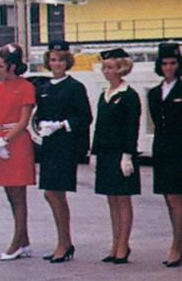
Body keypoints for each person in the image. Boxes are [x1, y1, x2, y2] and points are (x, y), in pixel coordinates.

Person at [33, 41, 92, 263]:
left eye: (61, 59)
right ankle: (64, 241)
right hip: (49, 145)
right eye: (53, 59)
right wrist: (41, 125)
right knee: (51, 193)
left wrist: (62, 124)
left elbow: (85, 117)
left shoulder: (75, 87)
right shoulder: (45, 87)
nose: (57, 63)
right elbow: (40, 113)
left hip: (65, 145)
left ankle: (64, 242)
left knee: (55, 193)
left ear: (68, 62)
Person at [0, 43, 36, 261]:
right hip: (0, 143)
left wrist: (5, 140)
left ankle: (16, 243)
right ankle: (24, 240)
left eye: (1, 66)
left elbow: (24, 120)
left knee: (19, 196)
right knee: (10, 194)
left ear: (12, 66)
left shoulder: (25, 87)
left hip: (17, 143)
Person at [92, 48, 141, 264]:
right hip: (105, 153)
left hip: (121, 153)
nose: (106, 71)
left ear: (121, 69)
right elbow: (99, 127)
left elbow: (132, 127)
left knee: (123, 199)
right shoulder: (104, 94)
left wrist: (127, 154)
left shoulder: (129, 95)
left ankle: (123, 245)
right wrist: (94, 153)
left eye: (110, 68)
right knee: (111, 199)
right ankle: (115, 243)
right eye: (105, 68)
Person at [147, 42, 182, 267]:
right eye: (165, 63)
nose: (168, 67)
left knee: (175, 198)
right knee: (168, 200)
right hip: (162, 150)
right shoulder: (154, 93)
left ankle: (176, 247)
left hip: (180, 150)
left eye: (173, 63)